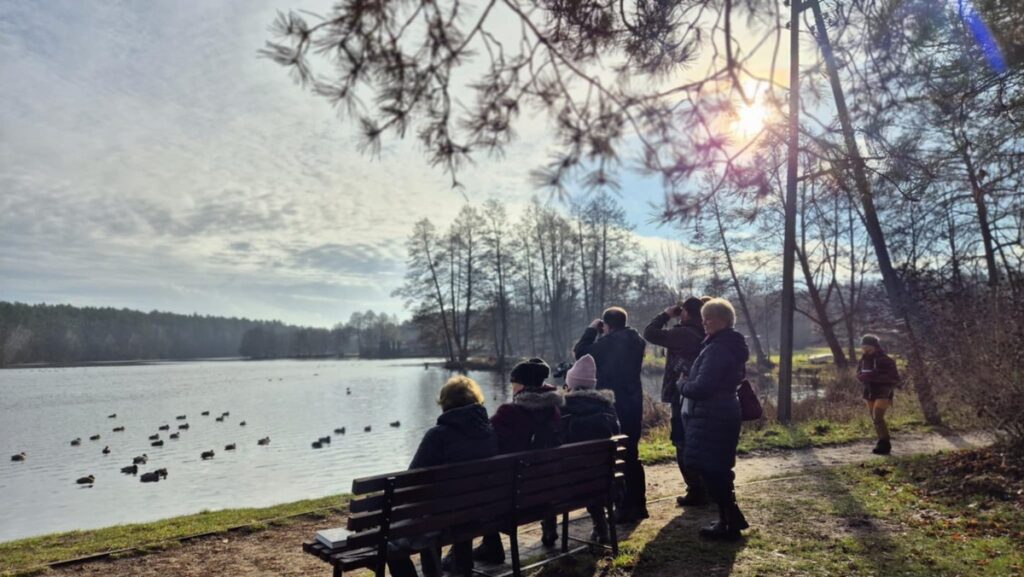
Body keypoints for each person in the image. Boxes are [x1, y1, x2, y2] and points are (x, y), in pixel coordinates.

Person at [389, 376, 498, 577]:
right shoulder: (490, 433)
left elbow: (410, 482)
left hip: (441, 519)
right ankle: (462, 571)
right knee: (450, 510)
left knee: (388, 540)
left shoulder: (437, 436)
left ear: (445, 403)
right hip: (478, 513)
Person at [474, 358, 563, 562]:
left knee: (480, 483)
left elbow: (487, 441)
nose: (512, 388)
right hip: (551, 492)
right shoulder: (555, 410)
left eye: (514, 383)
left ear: (522, 385)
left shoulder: (510, 413)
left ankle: (490, 546)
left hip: (517, 501)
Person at [679, 297, 750, 541]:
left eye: (709, 318)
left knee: (713, 470)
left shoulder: (718, 348)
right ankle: (729, 520)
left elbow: (702, 388)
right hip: (722, 413)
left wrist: (682, 384)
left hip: (713, 416)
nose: (704, 323)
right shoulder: (727, 344)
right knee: (718, 468)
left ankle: (729, 522)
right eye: (703, 318)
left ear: (724, 320)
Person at [573, 306, 648, 523]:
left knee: (617, 455)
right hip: (634, 402)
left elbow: (581, 353)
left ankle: (624, 507)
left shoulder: (611, 342)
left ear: (607, 325)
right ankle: (639, 504)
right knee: (631, 451)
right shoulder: (638, 340)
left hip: (615, 403)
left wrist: (591, 330)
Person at [643, 297, 708, 507]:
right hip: (701, 393)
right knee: (700, 440)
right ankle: (708, 488)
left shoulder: (683, 333)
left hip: (681, 394)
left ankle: (695, 490)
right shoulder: (705, 332)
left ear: (686, 312)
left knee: (682, 441)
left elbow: (650, 333)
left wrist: (666, 314)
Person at [560, 354, 620, 543]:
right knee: (591, 472)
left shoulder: (563, 410)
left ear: (570, 384)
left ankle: (548, 531)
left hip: (566, 486)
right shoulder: (607, 409)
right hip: (605, 481)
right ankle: (601, 527)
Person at [857, 334, 900, 455]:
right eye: (863, 348)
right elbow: (858, 374)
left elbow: (895, 378)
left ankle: (885, 444)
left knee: (878, 418)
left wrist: (874, 376)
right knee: (874, 420)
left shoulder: (886, 360)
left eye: (868, 348)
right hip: (869, 391)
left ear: (875, 346)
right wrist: (861, 377)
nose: (865, 350)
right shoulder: (863, 360)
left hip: (883, 391)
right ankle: (881, 443)